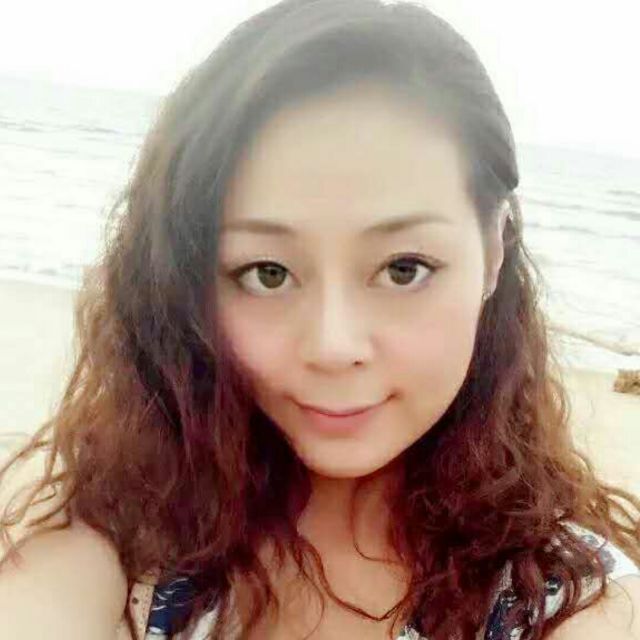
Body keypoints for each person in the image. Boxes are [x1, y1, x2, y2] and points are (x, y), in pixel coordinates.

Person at [1, 0, 639, 638]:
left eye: (404, 268)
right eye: (268, 272)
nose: (334, 347)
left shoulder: (567, 606)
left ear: (493, 252)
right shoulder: (134, 528)